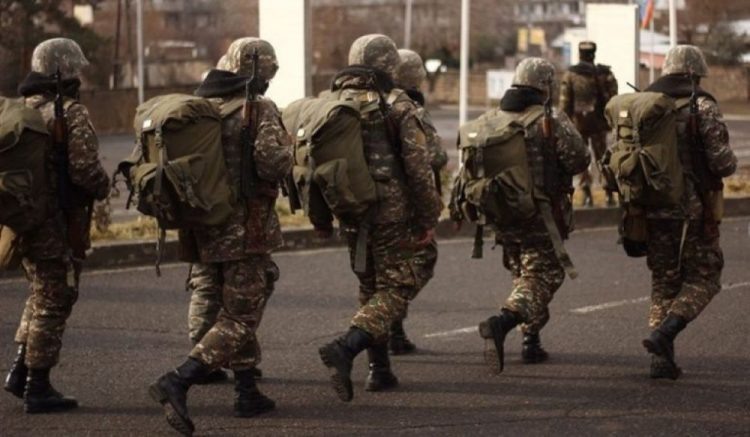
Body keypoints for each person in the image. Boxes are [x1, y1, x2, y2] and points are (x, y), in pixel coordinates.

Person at [149, 37, 292, 436]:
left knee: (223, 303)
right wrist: (292, 150)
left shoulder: (205, 107)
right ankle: (179, 380)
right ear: (260, 71)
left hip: (203, 222)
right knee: (242, 313)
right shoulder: (258, 108)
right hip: (244, 228)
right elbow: (271, 163)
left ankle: (247, 391)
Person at [316, 34, 442, 401]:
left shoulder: (333, 102)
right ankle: (347, 347)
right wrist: (428, 217)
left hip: (351, 211)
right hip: (392, 214)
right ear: (390, 64)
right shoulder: (397, 104)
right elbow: (419, 168)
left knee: (370, 287)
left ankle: (380, 369)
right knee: (398, 286)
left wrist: (322, 216)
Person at [459, 58, 589, 373]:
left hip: (500, 215)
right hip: (540, 216)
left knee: (523, 276)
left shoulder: (491, 119)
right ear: (546, 86)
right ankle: (502, 323)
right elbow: (579, 160)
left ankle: (531, 341)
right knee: (543, 276)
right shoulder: (549, 118)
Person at [4, 38, 110, 413]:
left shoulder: (23, 109)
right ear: (65, 71)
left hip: (23, 220)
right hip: (57, 224)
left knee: (39, 296)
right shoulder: (70, 113)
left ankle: (20, 371)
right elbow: (84, 170)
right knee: (55, 300)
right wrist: (104, 186)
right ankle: (38, 386)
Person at [640, 45, 736, 380]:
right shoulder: (702, 106)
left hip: (650, 207)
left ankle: (660, 360)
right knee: (705, 277)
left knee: (664, 281)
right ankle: (667, 331)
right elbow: (722, 164)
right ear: (695, 72)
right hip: (692, 210)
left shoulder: (644, 104)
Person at [185, 51, 262, 385]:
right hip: (240, 220)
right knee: (243, 303)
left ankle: (208, 358)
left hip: (199, 215)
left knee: (206, 287)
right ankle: (204, 366)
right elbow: (272, 163)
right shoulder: (254, 108)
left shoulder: (197, 109)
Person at [386, 48, 446, 356]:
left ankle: (392, 333)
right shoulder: (410, 109)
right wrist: (429, 213)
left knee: (386, 269)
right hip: (406, 204)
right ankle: (378, 324)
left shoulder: (374, 103)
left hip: (376, 202)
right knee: (422, 260)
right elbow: (434, 157)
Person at [559, 41, 618, 207]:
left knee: (582, 159)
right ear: (594, 54)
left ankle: (586, 194)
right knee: (603, 158)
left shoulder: (571, 74)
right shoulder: (604, 74)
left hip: (579, 124)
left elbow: (565, 103)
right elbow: (614, 98)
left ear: (579, 54)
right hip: (600, 123)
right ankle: (609, 193)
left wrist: (564, 126)